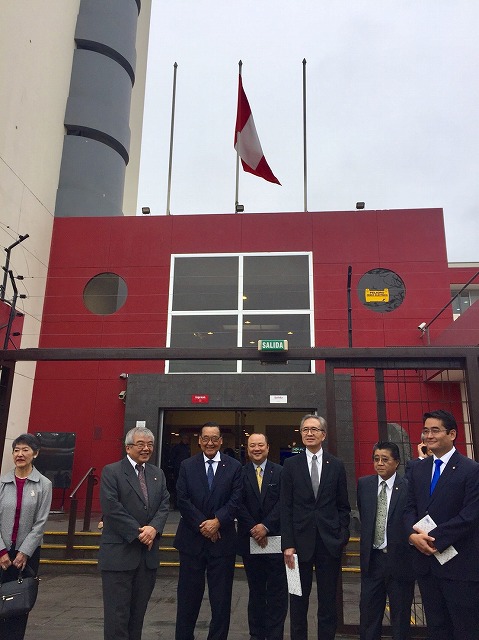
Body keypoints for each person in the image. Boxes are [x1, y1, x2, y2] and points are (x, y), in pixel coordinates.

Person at [404, 409, 479, 640]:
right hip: (426, 564)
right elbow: (408, 507)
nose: (429, 436)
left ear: (452, 434)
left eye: (435, 430)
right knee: (436, 628)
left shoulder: (471, 469)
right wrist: (412, 536)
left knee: (465, 628)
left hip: (459, 565)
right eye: (425, 430)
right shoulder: (417, 468)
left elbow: (470, 515)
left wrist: (434, 539)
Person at [281, 414, 351, 640]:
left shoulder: (336, 465)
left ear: (324, 434)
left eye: (314, 429)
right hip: (297, 545)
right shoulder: (290, 465)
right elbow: (285, 507)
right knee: (297, 601)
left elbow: (343, 506)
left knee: (328, 603)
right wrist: (288, 544)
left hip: (328, 544)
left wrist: (341, 536)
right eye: (305, 430)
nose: (309, 433)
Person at [98, 426, 170, 640]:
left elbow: (164, 504)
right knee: (117, 617)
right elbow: (111, 507)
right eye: (141, 444)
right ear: (128, 447)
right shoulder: (112, 471)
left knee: (137, 616)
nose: (146, 449)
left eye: (150, 445)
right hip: (119, 555)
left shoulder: (157, 473)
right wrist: (140, 532)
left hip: (146, 558)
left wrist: (154, 528)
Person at [174, 421, 242, 640]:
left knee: (221, 600)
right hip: (191, 541)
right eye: (206, 438)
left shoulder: (234, 466)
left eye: (214, 439)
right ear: (200, 441)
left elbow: (236, 499)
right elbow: (182, 499)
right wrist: (204, 525)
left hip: (222, 542)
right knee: (188, 599)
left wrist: (218, 521)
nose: (210, 443)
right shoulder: (187, 465)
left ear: (221, 441)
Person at [357, 442, 415, 640]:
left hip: (399, 560)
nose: (379, 463)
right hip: (373, 561)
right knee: (368, 616)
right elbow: (365, 516)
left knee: (400, 616)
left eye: (385, 459)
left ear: (396, 462)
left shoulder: (407, 487)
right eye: (376, 459)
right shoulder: (364, 485)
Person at [0, 433, 53, 640]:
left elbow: (41, 522)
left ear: (35, 453)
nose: (20, 454)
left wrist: (24, 552)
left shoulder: (44, 484)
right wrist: (2, 551)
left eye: (25, 450)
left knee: (19, 602)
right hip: (2, 552)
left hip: (27, 554)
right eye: (16, 450)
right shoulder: (2, 482)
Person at [237, 433, 288, 640]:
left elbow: (284, 502)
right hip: (250, 541)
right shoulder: (240, 473)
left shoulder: (281, 472)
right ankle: (256, 634)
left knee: (277, 593)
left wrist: (265, 526)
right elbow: (237, 503)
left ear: (267, 447)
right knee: (256, 591)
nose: (256, 449)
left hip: (275, 540)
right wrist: (254, 528)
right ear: (247, 449)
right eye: (252, 446)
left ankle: (275, 635)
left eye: (260, 445)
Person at [170, 432, 191, 508]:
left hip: (186, 470)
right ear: (182, 439)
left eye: (187, 439)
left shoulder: (187, 448)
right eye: (185, 439)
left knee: (185, 487)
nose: (186, 440)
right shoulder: (177, 447)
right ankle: (176, 504)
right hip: (177, 470)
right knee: (177, 487)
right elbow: (172, 458)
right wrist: (173, 469)